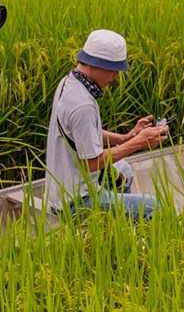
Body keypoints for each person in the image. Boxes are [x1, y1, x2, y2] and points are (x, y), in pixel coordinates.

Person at [44, 28, 169, 219]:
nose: (116, 77)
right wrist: (138, 143)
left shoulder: (69, 83)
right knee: (157, 207)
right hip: (77, 201)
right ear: (96, 65)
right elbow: (92, 163)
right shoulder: (83, 105)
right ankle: (117, 232)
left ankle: (117, 225)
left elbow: (83, 132)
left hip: (61, 188)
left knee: (124, 170)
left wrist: (126, 137)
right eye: (113, 70)